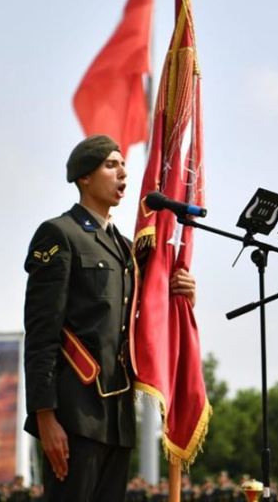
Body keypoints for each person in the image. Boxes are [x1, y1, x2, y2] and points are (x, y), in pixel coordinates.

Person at [23, 135, 196, 502]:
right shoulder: (59, 234)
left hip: (117, 418)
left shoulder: (123, 248)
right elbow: (41, 332)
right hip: (73, 413)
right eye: (110, 165)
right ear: (84, 178)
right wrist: (45, 415)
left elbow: (141, 314)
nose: (123, 173)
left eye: (123, 165)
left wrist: (178, 291)